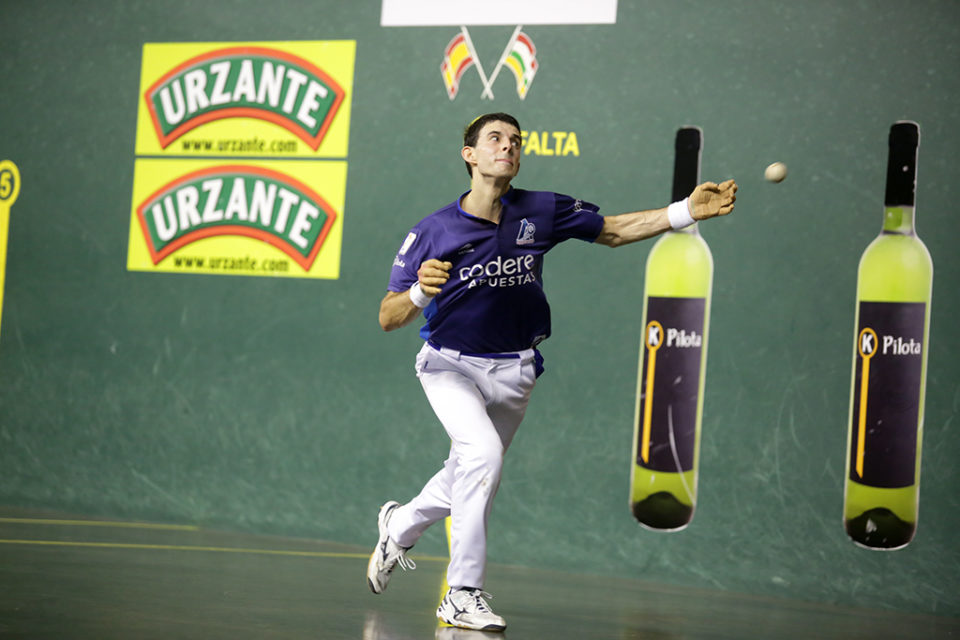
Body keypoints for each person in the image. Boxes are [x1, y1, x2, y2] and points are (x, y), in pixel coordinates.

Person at [367, 113, 736, 632]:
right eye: (494, 139)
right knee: (482, 456)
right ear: (469, 154)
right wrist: (420, 292)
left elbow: (611, 231)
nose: (507, 147)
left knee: (469, 471)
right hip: (449, 364)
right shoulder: (433, 231)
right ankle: (462, 593)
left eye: (515, 141)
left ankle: (400, 524)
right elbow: (388, 316)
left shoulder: (541, 209)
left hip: (516, 369)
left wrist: (683, 212)